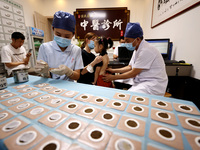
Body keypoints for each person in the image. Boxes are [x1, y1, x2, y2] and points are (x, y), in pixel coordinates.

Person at [103, 22, 168, 96]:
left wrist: (113, 77)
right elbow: (130, 67)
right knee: (118, 82)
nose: (126, 43)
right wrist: (113, 70)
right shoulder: (137, 48)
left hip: (152, 84)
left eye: (127, 41)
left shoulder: (146, 50)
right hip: (141, 79)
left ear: (137, 39)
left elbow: (133, 72)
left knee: (130, 97)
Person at [35, 11, 84, 81]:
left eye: (67, 36)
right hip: (50, 85)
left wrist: (69, 72)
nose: (62, 38)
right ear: (53, 29)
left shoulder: (76, 50)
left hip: (69, 87)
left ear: (73, 34)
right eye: (58, 35)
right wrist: (45, 73)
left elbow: (77, 76)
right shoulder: (45, 47)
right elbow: (42, 75)